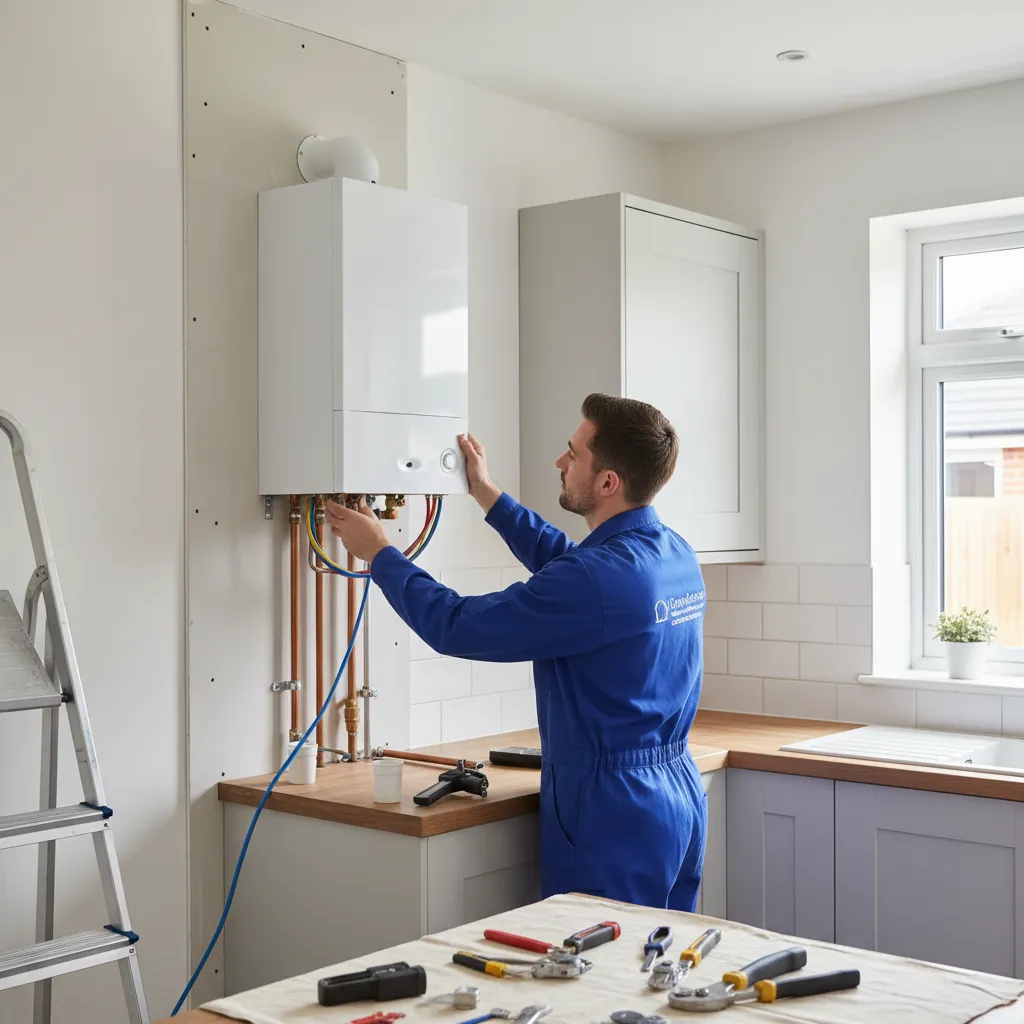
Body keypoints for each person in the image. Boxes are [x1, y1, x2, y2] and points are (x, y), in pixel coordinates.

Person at [325, 393, 708, 911]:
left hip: (612, 808)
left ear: (607, 483)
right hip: (675, 795)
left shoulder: (595, 580)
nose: (560, 461)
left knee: (597, 955)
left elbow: (456, 625)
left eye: (573, 453)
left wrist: (380, 555)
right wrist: (488, 494)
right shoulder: (671, 551)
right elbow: (570, 567)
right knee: (658, 955)